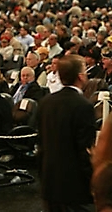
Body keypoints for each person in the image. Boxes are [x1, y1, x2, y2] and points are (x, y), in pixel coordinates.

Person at [38, 54, 96, 212]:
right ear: (80, 76)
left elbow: (41, 143)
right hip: (73, 184)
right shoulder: (84, 106)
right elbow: (84, 149)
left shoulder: (46, 102)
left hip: (49, 181)